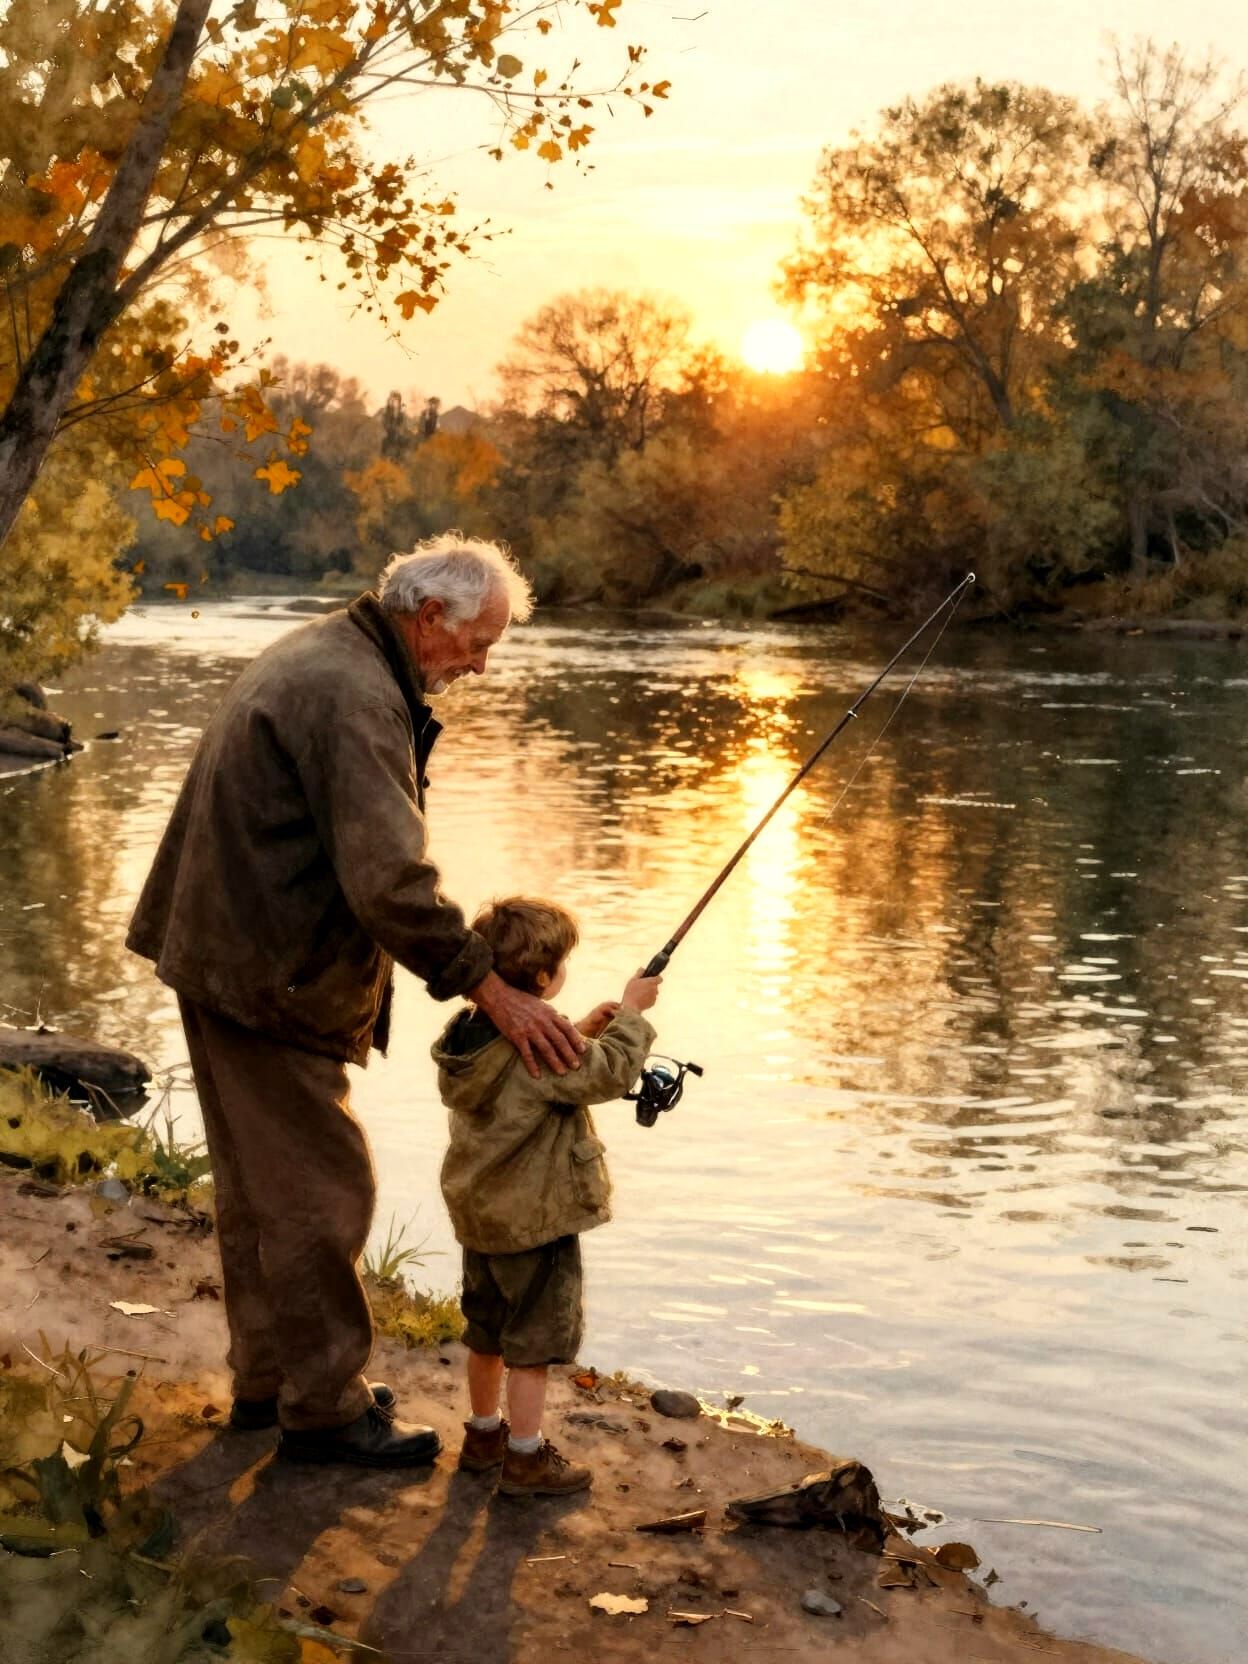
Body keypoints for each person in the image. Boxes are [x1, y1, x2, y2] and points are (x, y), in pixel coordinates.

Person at [127, 535, 588, 1469]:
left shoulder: (336, 651)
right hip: (266, 970)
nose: (480, 666)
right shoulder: (359, 695)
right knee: (322, 1189)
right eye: (478, 644)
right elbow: (390, 883)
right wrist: (492, 989)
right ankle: (326, 1409)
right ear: (431, 617)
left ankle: (271, 1383)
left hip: (223, 948)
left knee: (260, 1189)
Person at [434, 897, 661, 1496]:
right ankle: (525, 1459)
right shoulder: (541, 1047)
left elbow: (528, 1071)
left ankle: (484, 1436)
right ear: (542, 977)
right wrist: (631, 1013)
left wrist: (577, 1029)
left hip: (482, 1219)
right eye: (560, 965)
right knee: (531, 1348)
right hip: (534, 1225)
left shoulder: (469, 1040)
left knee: (486, 1333)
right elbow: (609, 1073)